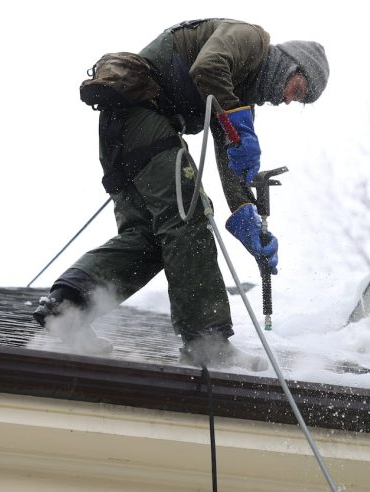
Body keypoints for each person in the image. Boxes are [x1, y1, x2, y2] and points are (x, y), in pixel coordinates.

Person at [32, 18, 330, 371]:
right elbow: (208, 66)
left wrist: (245, 212)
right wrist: (239, 125)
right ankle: (207, 342)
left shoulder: (237, 98)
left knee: (150, 238)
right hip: (140, 116)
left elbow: (230, 160)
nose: (289, 100)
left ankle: (68, 307)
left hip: (120, 132)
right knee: (189, 216)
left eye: (300, 100)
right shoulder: (251, 40)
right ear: (291, 65)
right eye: (299, 89)